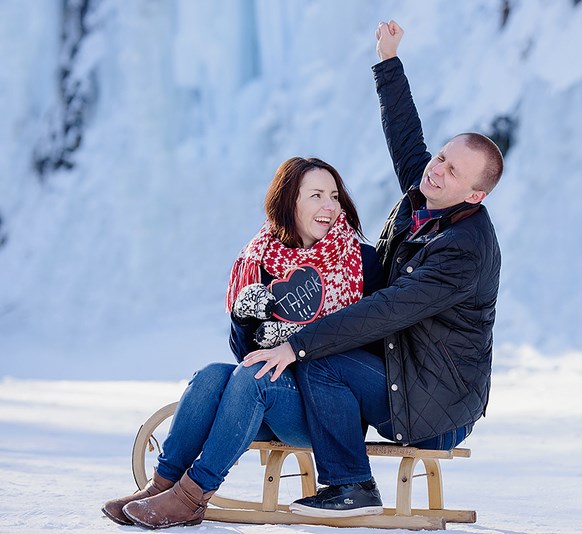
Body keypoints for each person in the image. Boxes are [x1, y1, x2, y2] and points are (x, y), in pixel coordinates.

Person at [244, 20, 504, 518]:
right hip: (406, 371)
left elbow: (387, 309)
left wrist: (298, 345)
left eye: (451, 170)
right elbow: (407, 139)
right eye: (443, 157)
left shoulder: (463, 248)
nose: (436, 169)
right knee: (348, 262)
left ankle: (351, 487)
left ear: (474, 194)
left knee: (320, 358)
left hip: (435, 403)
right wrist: (387, 61)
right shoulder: (430, 193)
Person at [101, 157, 384, 529]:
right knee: (212, 376)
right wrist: (243, 317)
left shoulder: (361, 260)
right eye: (316, 196)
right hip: (269, 400)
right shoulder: (260, 258)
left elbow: (371, 346)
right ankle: (161, 486)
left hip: (328, 413)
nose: (330, 207)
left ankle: (192, 495)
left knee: (253, 377)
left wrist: (299, 342)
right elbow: (246, 353)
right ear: (290, 201)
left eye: (334, 196)